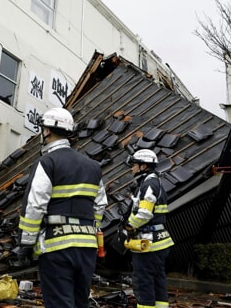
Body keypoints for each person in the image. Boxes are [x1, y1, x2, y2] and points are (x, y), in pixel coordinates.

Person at [17, 107, 107, 308]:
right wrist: (88, 227)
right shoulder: (93, 166)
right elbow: (100, 204)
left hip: (57, 247)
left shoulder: (47, 162)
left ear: (47, 131)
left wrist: (26, 243)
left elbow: (35, 205)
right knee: (79, 302)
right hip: (87, 248)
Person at [125, 149, 174, 308]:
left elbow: (145, 213)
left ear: (143, 166)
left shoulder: (149, 184)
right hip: (158, 242)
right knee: (157, 280)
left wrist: (129, 226)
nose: (132, 168)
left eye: (134, 165)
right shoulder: (152, 182)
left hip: (148, 244)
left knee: (143, 281)